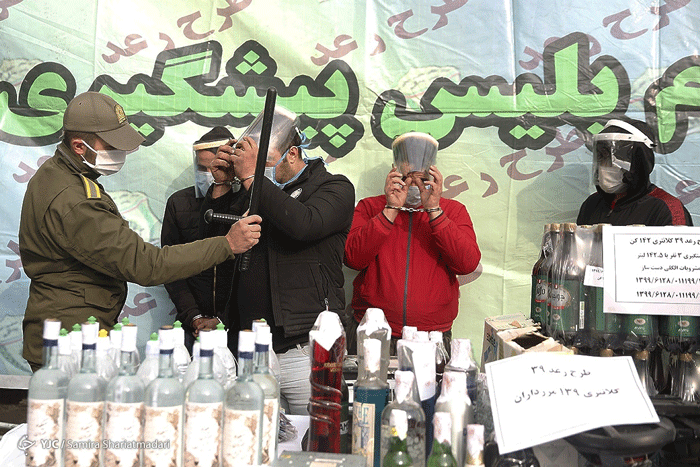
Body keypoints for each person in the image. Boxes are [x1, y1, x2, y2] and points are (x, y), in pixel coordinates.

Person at [19, 91, 262, 371]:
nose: (120, 152)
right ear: (78, 146)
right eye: (111, 145)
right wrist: (227, 244)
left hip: (71, 331)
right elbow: (147, 265)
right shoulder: (75, 200)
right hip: (70, 343)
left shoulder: (57, 175)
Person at [203, 106, 355, 414]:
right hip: (251, 351)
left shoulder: (334, 187)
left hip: (305, 349)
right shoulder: (250, 192)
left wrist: (251, 177)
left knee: (315, 435)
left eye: (265, 163)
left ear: (293, 154)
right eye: (255, 166)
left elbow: (303, 224)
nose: (259, 171)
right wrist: (222, 186)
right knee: (251, 435)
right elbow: (216, 246)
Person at [344, 132, 481, 353]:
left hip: (431, 335)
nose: (415, 174)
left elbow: (467, 263)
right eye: (408, 162)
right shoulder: (369, 207)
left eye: (423, 165)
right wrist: (390, 209)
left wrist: (434, 210)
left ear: (433, 169)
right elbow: (353, 258)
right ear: (395, 167)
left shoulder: (454, 211)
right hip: (372, 331)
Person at [161, 126, 236, 353]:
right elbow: (171, 267)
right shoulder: (179, 203)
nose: (208, 174)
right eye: (201, 168)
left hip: (239, 327)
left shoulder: (248, 202)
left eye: (214, 168)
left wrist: (223, 319)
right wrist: (194, 316)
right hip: (192, 327)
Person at [577, 118, 692, 226]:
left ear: (640, 161)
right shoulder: (592, 204)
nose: (605, 166)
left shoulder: (666, 209)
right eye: (602, 157)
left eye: (617, 159)